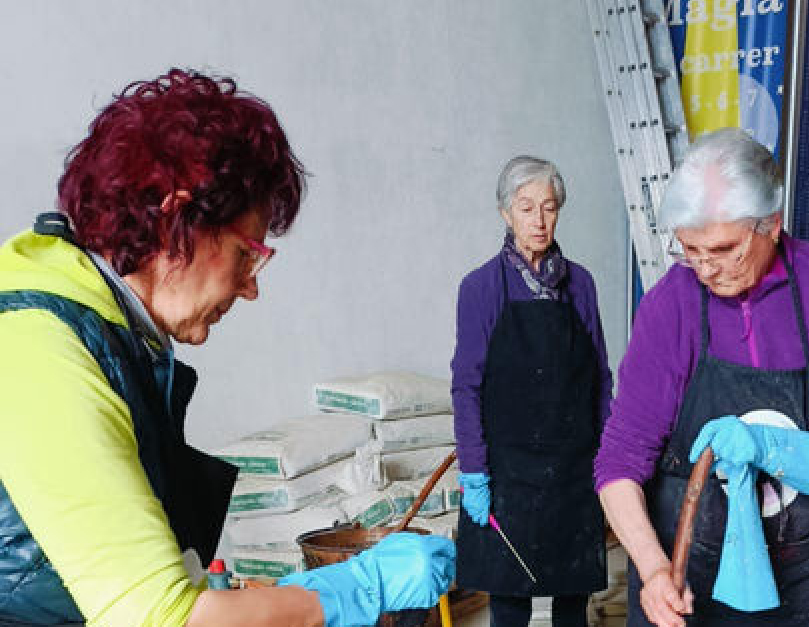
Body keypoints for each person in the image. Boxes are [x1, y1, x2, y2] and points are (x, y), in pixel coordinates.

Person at [0, 69, 454, 627]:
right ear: (176, 221)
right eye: (246, 255)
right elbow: (160, 618)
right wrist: (355, 589)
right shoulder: (40, 348)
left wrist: (276, 599)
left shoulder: (106, 336)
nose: (251, 288)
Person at [594, 128, 809, 627]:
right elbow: (619, 462)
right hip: (694, 567)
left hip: (808, 573)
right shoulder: (671, 305)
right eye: (691, 250)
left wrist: (771, 448)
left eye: (724, 248)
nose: (706, 269)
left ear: (772, 224)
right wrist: (654, 569)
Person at [451, 156, 613, 627]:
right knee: (509, 603)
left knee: (572, 602)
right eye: (526, 208)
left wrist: (609, 461)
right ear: (506, 213)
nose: (539, 221)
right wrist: (474, 471)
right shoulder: (481, 287)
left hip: (572, 468)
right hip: (509, 471)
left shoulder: (580, 284)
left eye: (548, 207)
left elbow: (600, 377)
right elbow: (466, 386)